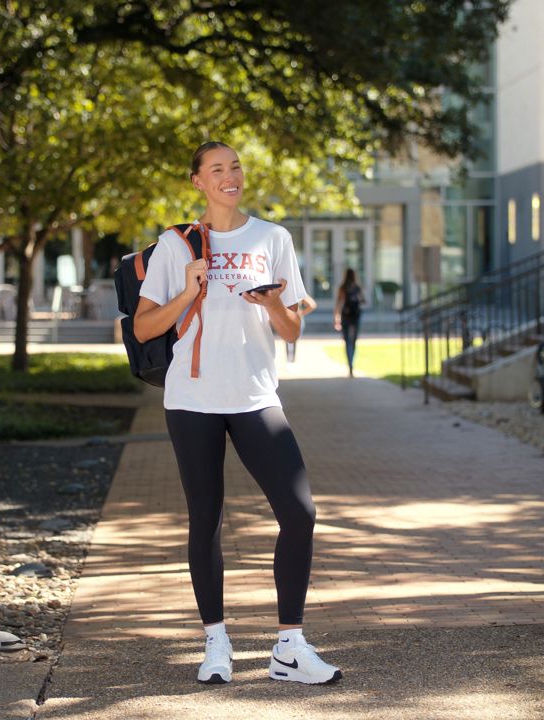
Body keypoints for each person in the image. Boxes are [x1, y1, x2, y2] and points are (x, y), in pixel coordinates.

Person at [133, 141, 341, 686]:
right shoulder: (175, 245)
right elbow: (143, 327)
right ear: (198, 181)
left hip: (255, 396)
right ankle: (216, 642)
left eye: (236, 167)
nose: (231, 176)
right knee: (206, 519)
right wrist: (188, 292)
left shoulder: (273, 238)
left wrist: (273, 303)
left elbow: (292, 329)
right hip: (193, 399)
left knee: (299, 512)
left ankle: (289, 647)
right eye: (217, 169)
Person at [332, 269, 364, 377]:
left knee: (347, 341)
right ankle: (351, 362)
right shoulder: (357, 287)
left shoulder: (343, 287)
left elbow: (338, 304)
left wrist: (336, 319)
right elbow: (363, 300)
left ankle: (350, 363)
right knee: (353, 341)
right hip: (355, 317)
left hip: (346, 316)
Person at [284, 296, 317, 363]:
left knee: (289, 341)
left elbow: (312, 305)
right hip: (296, 319)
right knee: (292, 341)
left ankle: (290, 360)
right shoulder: (298, 293)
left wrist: (301, 313)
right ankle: (291, 360)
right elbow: (312, 305)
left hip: (292, 319)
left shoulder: (296, 292)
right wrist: (301, 313)